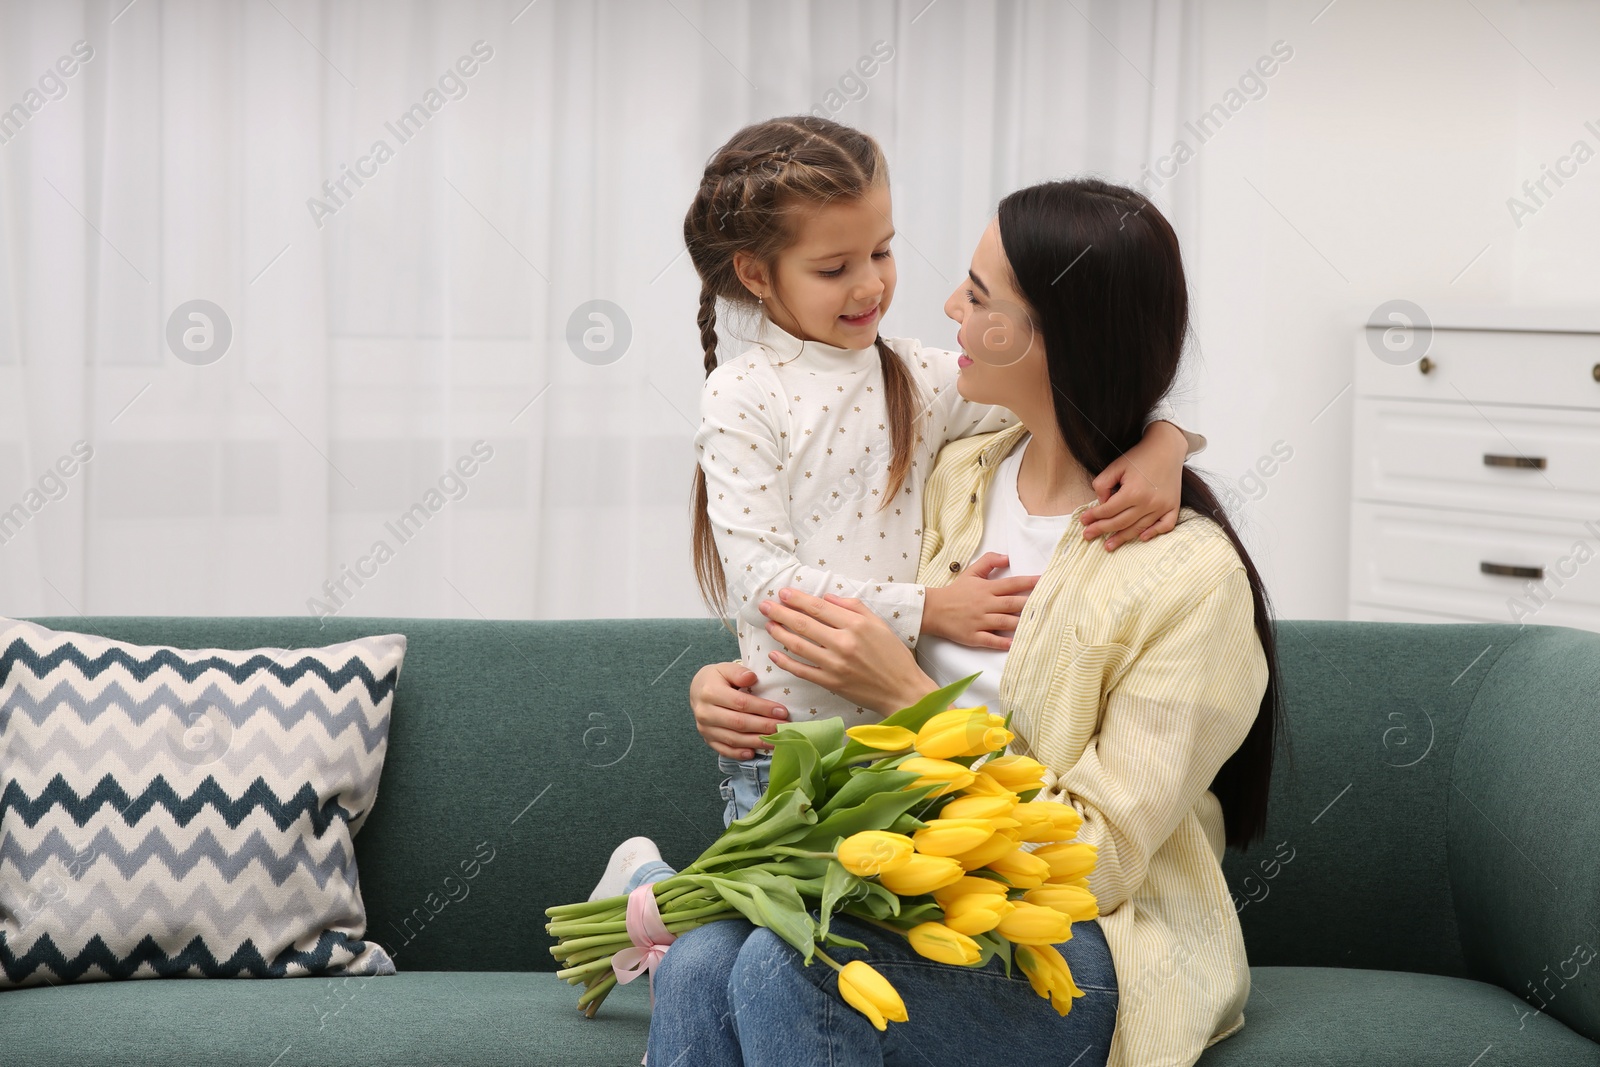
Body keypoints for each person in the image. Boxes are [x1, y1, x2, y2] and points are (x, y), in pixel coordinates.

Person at [650, 177, 1285, 1067]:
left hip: (1080, 939)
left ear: (1054, 334)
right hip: (914, 888)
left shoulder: (1189, 578)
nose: (944, 303)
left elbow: (1095, 862)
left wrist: (911, 697)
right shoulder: (957, 472)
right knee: (699, 962)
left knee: (789, 971)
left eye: (979, 296)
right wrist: (728, 686)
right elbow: (825, 578)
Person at [588, 115, 1205, 900]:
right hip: (788, 743)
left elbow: (1058, 394)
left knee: (824, 933)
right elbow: (764, 586)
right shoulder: (744, 395)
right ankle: (647, 890)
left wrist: (1166, 439)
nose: (871, 283)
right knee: (780, 927)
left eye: (881, 251)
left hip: (898, 751)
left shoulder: (916, 376)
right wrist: (930, 611)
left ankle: (650, 894)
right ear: (755, 273)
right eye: (834, 266)